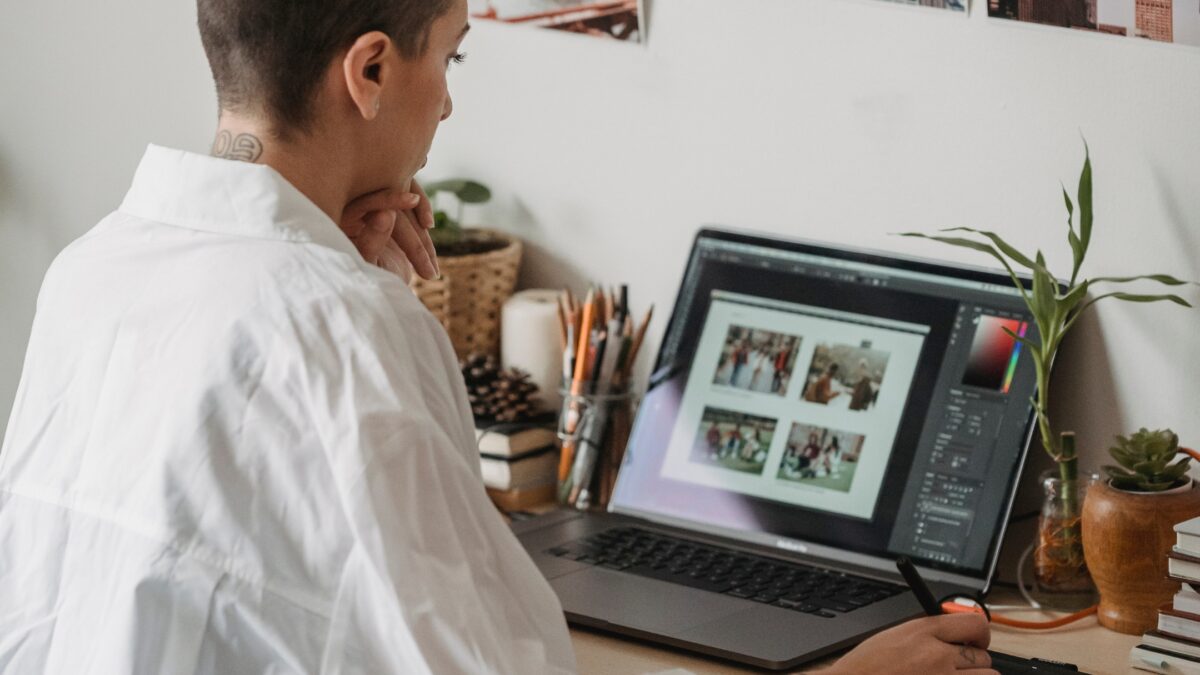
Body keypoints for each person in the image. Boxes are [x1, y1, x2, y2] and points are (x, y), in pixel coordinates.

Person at [0, 1, 997, 673]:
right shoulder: (341, 327)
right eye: (453, 54)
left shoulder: (92, 268)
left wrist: (343, 271)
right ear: (373, 69)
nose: (450, 97)